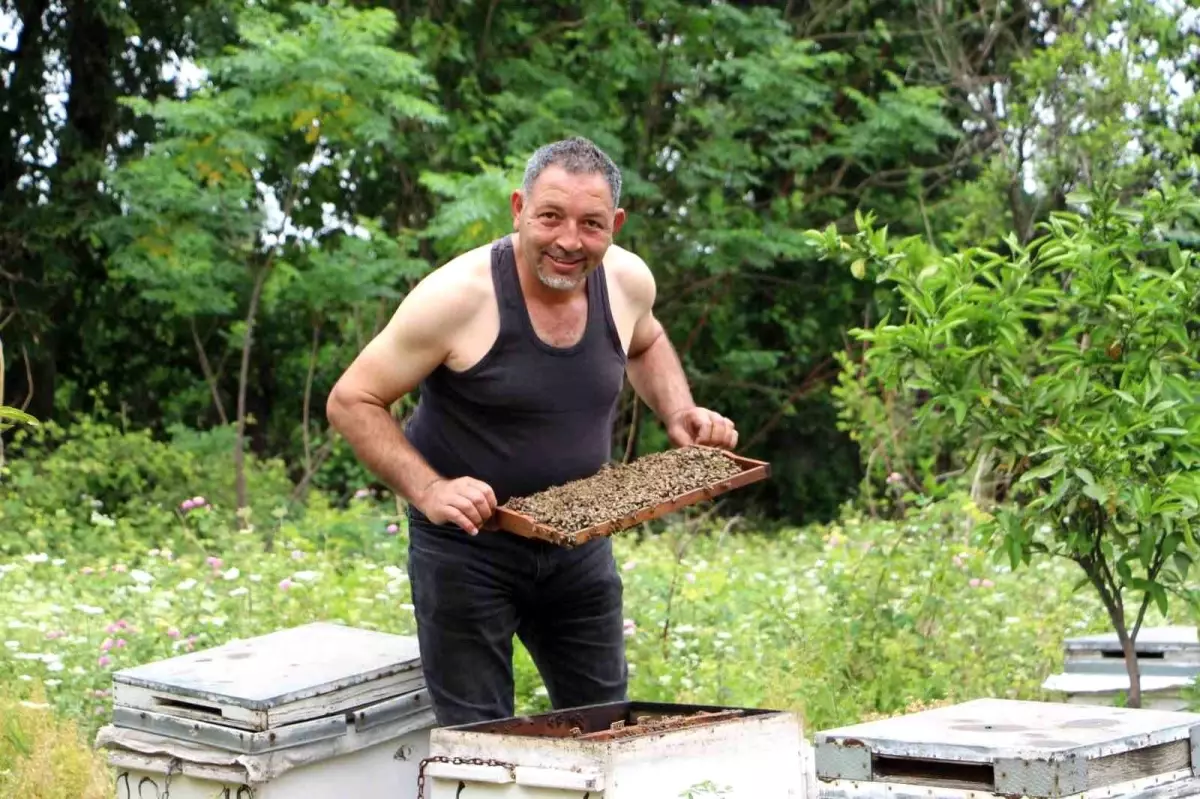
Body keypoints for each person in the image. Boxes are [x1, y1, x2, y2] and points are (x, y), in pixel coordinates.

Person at [325, 136, 739, 726]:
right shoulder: (456, 297)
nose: (570, 241)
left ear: (615, 224)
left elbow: (645, 341)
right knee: (482, 738)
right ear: (519, 209)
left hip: (579, 542)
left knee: (603, 727)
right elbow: (352, 400)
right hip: (468, 552)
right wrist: (430, 490)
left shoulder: (626, 281)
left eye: (591, 224)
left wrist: (679, 410)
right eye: (550, 217)